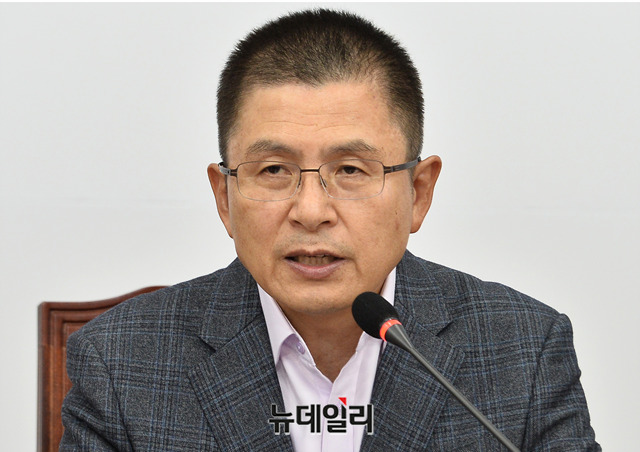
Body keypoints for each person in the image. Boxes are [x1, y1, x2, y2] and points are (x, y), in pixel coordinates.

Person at [60, 9, 600, 451]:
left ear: (419, 193)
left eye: (351, 170)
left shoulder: (522, 350)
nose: (311, 211)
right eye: (274, 169)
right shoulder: (121, 364)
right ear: (224, 197)